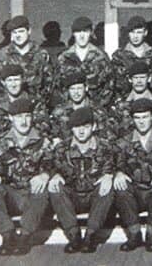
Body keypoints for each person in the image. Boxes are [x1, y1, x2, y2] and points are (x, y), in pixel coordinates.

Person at [0, 98, 51, 256]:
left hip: (31, 195)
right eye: (19, 117)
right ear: (11, 118)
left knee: (42, 189)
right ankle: (8, 236)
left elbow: (53, 163)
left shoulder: (42, 141)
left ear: (32, 117)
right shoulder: (1, 141)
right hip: (11, 194)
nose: (24, 121)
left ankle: (25, 236)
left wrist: (45, 175)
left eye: (27, 116)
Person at [48, 107, 115, 253]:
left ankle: (91, 235)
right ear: (71, 129)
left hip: (94, 197)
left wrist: (108, 176)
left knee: (108, 185)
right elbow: (53, 167)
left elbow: (111, 167)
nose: (81, 131)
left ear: (94, 127)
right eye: (77, 127)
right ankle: (74, 235)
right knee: (55, 187)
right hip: (72, 197)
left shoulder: (104, 147)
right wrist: (56, 175)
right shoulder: (61, 149)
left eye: (86, 126)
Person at [113, 99, 152, 252]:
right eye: (137, 118)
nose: (141, 122)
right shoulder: (124, 140)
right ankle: (134, 235)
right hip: (135, 189)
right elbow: (116, 161)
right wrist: (118, 173)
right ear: (132, 119)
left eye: (145, 117)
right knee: (121, 188)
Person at [0, 64, 50, 140]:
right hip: (2, 145)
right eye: (9, 80)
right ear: (3, 82)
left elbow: (43, 127)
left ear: (23, 80)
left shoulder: (34, 102)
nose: (13, 85)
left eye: (16, 80)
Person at [56, 16, 114, 108]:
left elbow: (109, 85)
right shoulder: (64, 58)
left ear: (91, 33)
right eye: (78, 32)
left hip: (95, 110)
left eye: (85, 31)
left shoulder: (101, 57)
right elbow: (58, 85)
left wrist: (99, 106)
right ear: (73, 34)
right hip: (71, 110)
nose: (82, 36)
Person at [0, 15, 54, 104]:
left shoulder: (41, 54)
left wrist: (40, 103)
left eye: (21, 31)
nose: (18, 36)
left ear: (29, 31)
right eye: (15, 32)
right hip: (11, 106)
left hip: (36, 105)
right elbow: (0, 84)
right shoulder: (3, 55)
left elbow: (49, 83)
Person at [49, 70, 114, 142]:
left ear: (86, 88)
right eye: (72, 89)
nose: (76, 92)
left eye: (79, 88)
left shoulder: (97, 110)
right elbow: (54, 135)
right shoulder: (59, 112)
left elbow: (105, 136)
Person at [111, 61, 152, 137]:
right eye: (135, 78)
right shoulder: (121, 106)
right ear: (130, 79)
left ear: (149, 78)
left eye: (142, 77)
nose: (139, 81)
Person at [111, 16, 152, 99]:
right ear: (128, 33)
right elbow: (115, 83)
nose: (135, 36)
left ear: (145, 33)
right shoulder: (119, 56)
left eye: (139, 32)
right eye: (132, 32)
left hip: (150, 100)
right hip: (126, 101)